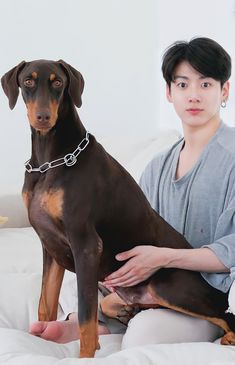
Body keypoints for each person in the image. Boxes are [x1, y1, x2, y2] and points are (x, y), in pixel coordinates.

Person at [29, 37, 235, 348]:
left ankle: (106, 322)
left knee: (145, 334)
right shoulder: (157, 166)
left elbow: (231, 249)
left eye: (205, 84)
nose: (193, 95)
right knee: (80, 253)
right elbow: (132, 234)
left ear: (224, 90)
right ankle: (95, 318)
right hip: (148, 283)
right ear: (169, 92)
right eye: (182, 85)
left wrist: (162, 257)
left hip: (203, 293)